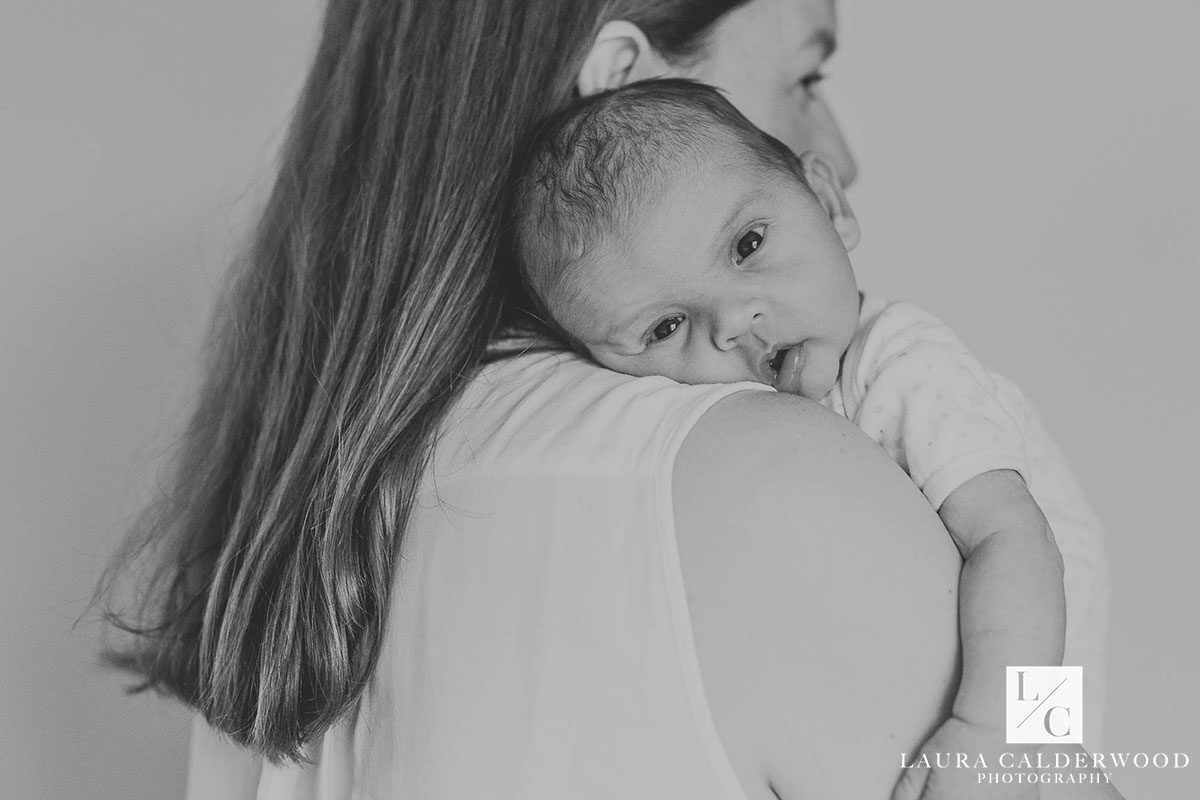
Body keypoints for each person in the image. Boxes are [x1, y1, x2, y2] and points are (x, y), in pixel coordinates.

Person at [96, 1, 1117, 798]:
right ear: (626, 73)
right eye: (806, 73)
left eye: (750, 243)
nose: (841, 153)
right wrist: (1023, 731)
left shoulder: (310, 516)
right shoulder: (764, 472)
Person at [510, 77, 1111, 799]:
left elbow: (1017, 542)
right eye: (666, 328)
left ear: (827, 201)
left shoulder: (904, 367)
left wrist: (999, 736)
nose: (733, 323)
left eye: (748, 245)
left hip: (1031, 665)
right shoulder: (735, 435)